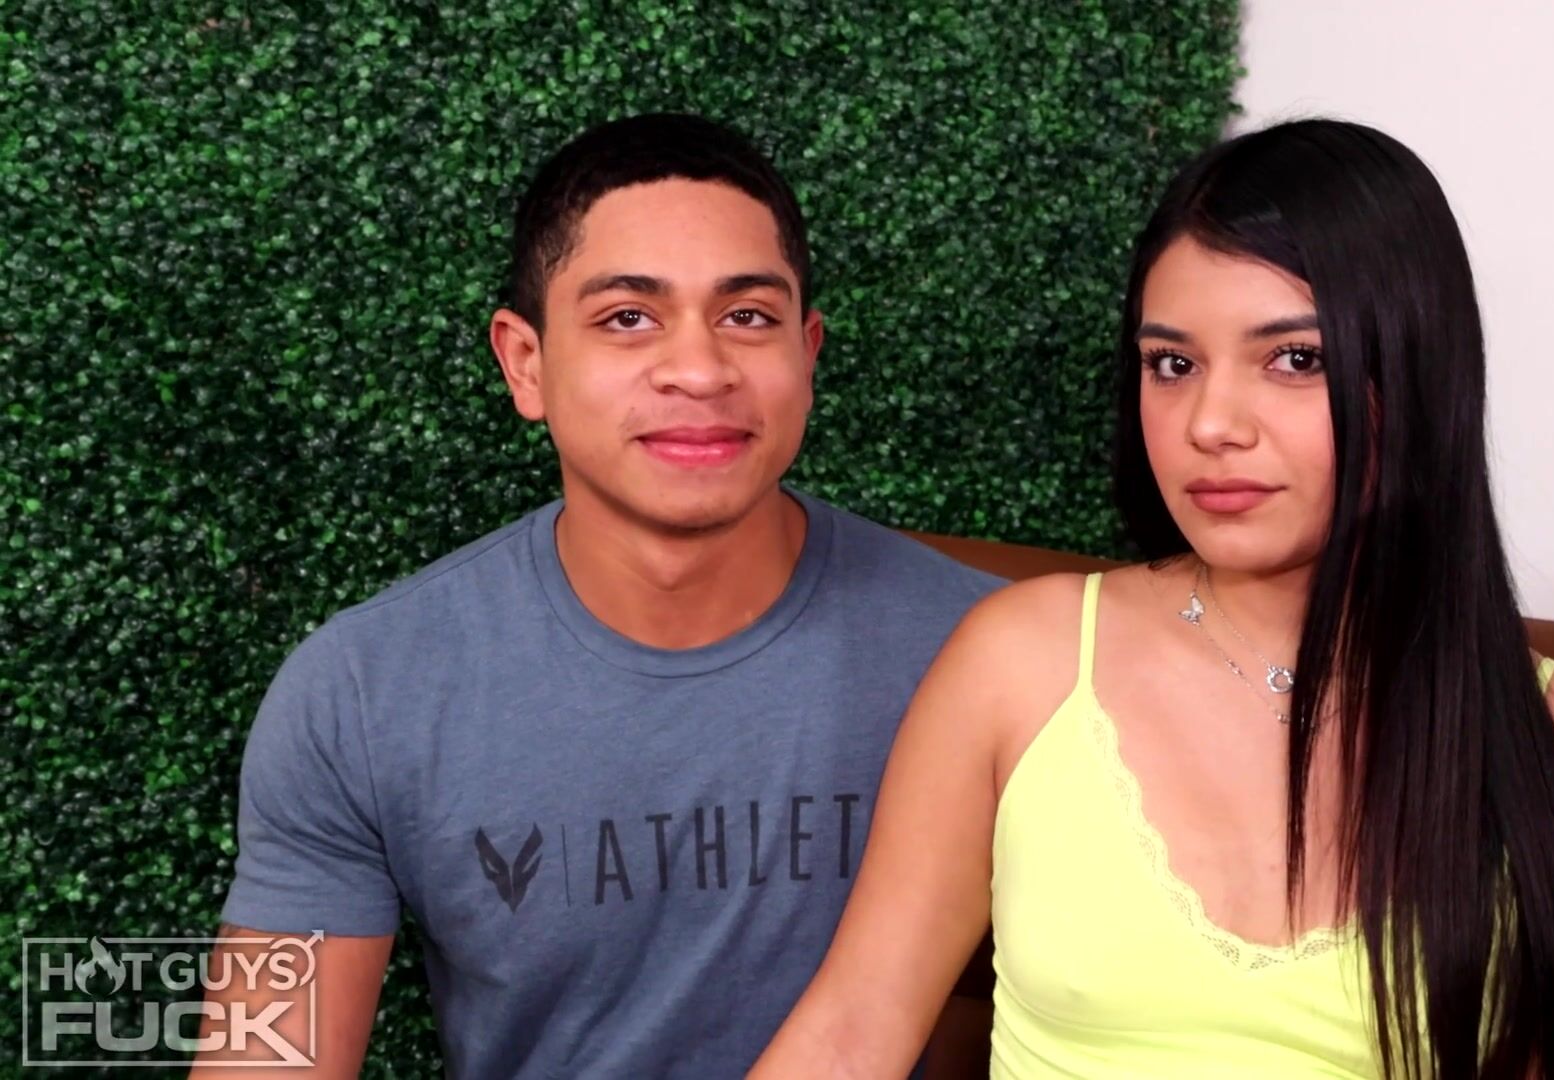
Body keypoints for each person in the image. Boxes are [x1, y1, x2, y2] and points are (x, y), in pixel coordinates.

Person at [752, 118, 1554, 1078]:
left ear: (1415, 371)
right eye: (1173, 364)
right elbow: (851, 1033)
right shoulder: (1020, 661)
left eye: (1295, 359)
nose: (1209, 424)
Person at [192, 112, 998, 1078]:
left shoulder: (987, 654)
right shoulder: (361, 693)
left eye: (748, 316)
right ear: (525, 363)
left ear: (808, 352)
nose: (699, 370)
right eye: (627, 318)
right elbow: (263, 1063)